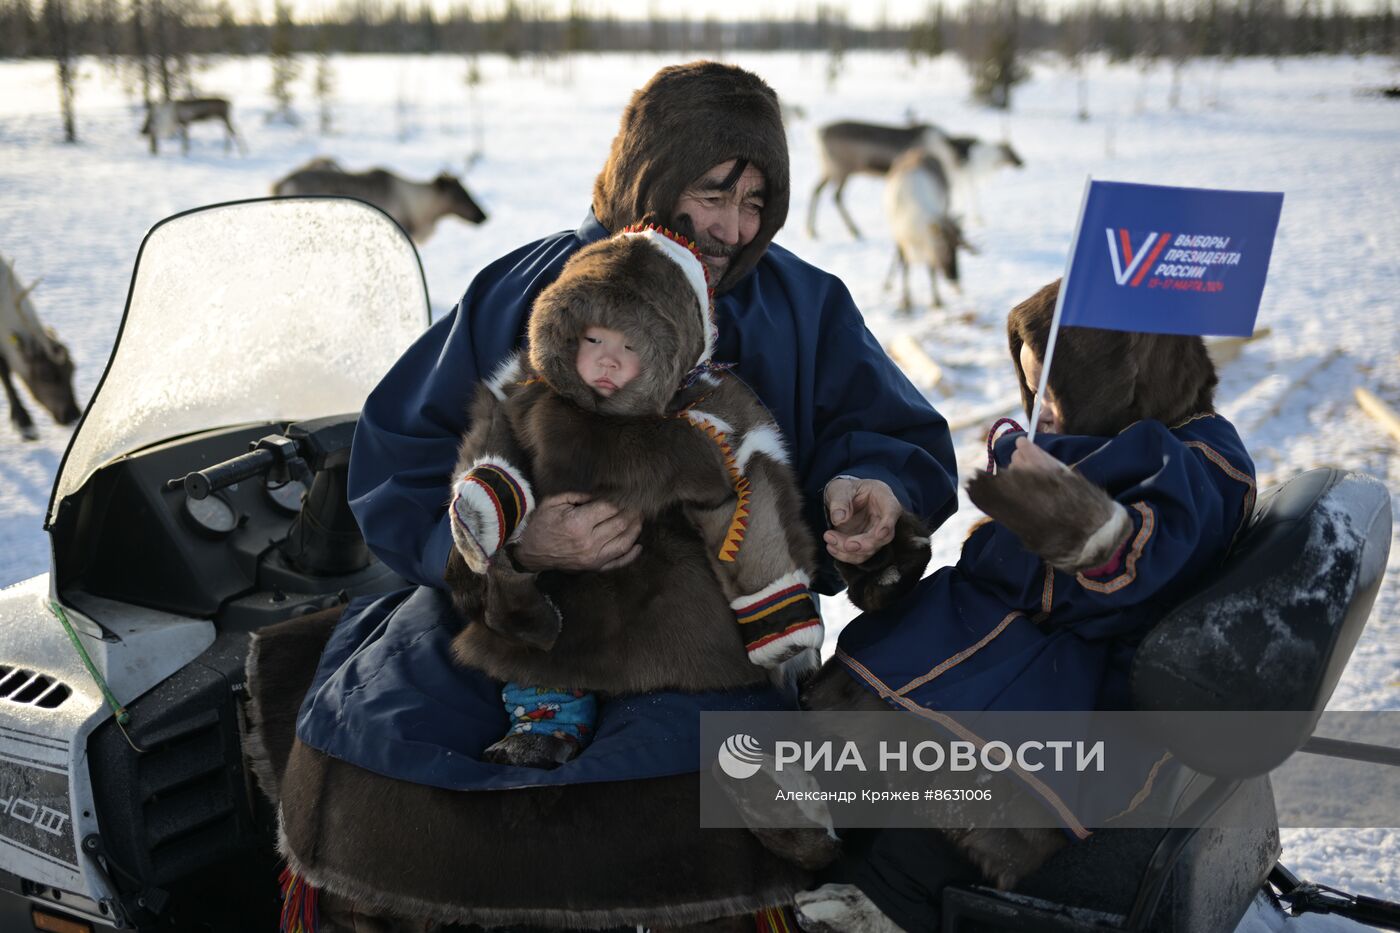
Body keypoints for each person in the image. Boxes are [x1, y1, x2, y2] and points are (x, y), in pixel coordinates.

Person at [255, 60, 959, 930]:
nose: (735, 228)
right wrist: (509, 546)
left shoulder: (803, 303)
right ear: (650, 174)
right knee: (385, 748)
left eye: (756, 203)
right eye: (712, 193)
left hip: (713, 628)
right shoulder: (529, 286)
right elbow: (404, 448)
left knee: (682, 802)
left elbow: (890, 431)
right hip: (507, 610)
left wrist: (871, 489)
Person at [792, 278, 1258, 933]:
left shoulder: (1199, 460)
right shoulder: (1117, 436)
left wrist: (1074, 518)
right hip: (1022, 649)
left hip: (1077, 688)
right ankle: (816, 822)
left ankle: (880, 901)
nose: (1043, 412)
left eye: (1056, 393)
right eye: (1033, 391)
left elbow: (1144, 554)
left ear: (1112, 382)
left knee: (954, 796)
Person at [445, 222, 841, 769]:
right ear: (563, 332)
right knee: (535, 664)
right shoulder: (531, 396)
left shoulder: (705, 416)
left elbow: (749, 508)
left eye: (631, 347)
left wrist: (775, 609)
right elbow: (492, 450)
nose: (607, 361)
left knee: (706, 734)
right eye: (593, 341)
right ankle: (543, 728)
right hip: (562, 608)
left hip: (671, 620)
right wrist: (493, 506)